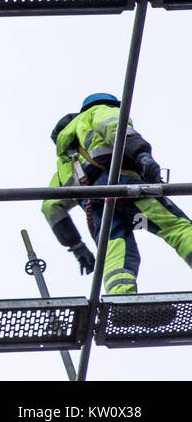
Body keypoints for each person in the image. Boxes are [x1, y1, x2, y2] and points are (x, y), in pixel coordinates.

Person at [43, 93, 192, 323]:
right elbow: (118, 129)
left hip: (98, 204)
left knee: (116, 246)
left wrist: (76, 245)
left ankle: (122, 303)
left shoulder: (65, 161)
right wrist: (143, 156)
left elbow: (51, 206)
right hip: (125, 186)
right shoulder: (98, 111)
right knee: (176, 227)